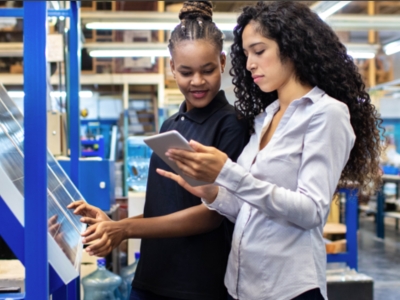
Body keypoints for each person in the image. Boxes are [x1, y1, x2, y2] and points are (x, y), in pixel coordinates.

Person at [157, 2, 383, 300]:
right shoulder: (266, 118)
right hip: (241, 285)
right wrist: (213, 192)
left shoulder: (326, 114)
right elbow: (251, 209)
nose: (249, 63)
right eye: (247, 53)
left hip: (289, 288)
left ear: (291, 47)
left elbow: (312, 211)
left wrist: (229, 172)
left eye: (259, 51)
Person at [68, 1, 249, 300]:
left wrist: (125, 229)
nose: (197, 81)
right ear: (171, 67)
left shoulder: (230, 125)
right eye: (186, 71)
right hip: (151, 277)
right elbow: (162, 208)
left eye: (207, 70)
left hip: (196, 285)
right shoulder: (170, 125)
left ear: (222, 62)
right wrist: (115, 225)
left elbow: (211, 215)